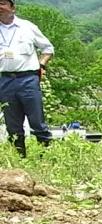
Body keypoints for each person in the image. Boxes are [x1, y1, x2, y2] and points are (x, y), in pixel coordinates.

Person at [0, 0, 53, 157]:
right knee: (13, 126)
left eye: (2, 3)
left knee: (37, 123)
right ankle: (20, 161)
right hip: (5, 81)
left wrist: (42, 65)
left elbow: (48, 48)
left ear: (12, 8)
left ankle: (47, 158)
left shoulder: (27, 27)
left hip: (28, 79)